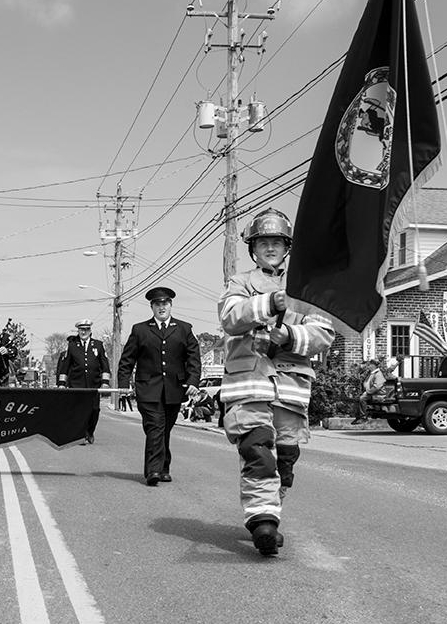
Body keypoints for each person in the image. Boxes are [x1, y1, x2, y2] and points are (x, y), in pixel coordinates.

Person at [218, 208, 335, 556]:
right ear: (254, 249)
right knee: (257, 452)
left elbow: (323, 333)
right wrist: (269, 301)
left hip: (291, 388)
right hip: (249, 384)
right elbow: (231, 317)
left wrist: (288, 335)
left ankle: (270, 507)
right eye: (263, 242)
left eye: (276, 242)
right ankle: (263, 522)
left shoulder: (307, 287)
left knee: (284, 459)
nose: (270, 247)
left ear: (287, 247)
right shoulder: (240, 283)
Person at [117, 288, 201, 485]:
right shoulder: (140, 330)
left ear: (171, 305)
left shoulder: (184, 328)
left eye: (165, 304)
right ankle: (153, 471)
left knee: (164, 429)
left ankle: (163, 468)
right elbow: (127, 360)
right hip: (148, 389)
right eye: (157, 304)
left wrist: (193, 381)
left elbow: (193, 359)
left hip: (174, 389)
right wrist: (123, 385)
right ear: (151, 307)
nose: (161, 307)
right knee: (155, 427)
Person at [57, 319, 111, 444]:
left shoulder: (98, 345)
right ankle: (80, 435)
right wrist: (61, 384)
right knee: (78, 411)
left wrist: (105, 382)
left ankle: (90, 431)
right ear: (78, 330)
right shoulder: (72, 346)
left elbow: (105, 365)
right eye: (81, 329)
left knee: (94, 410)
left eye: (86, 329)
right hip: (76, 384)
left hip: (93, 384)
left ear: (90, 330)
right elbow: (65, 366)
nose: (83, 332)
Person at [357, 356, 399, 422]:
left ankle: (363, 417)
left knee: (362, 398)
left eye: (369, 365)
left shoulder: (378, 374)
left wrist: (368, 392)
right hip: (372, 394)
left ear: (373, 366)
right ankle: (360, 416)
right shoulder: (372, 373)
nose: (368, 366)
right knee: (359, 398)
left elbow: (377, 387)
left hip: (378, 395)